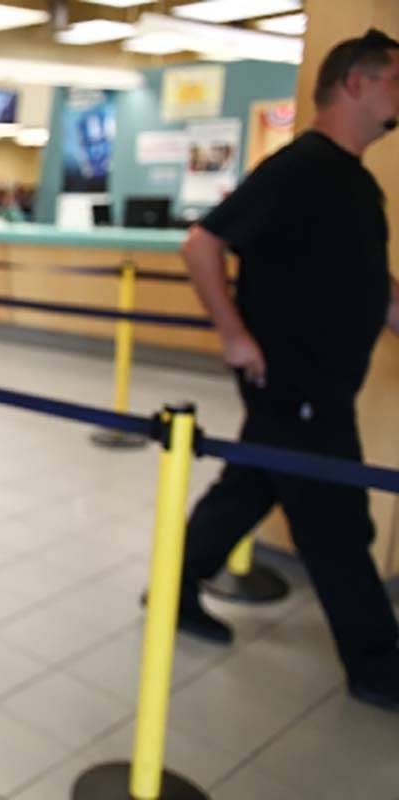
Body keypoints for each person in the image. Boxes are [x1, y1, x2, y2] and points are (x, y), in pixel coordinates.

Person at [175, 29, 399, 710]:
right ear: (356, 84)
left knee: (249, 487)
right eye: (395, 80)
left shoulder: (353, 184)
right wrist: (234, 335)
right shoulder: (302, 167)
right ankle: (377, 667)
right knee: (337, 524)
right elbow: (202, 244)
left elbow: (363, 279)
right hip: (297, 383)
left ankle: (175, 587)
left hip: (317, 383)